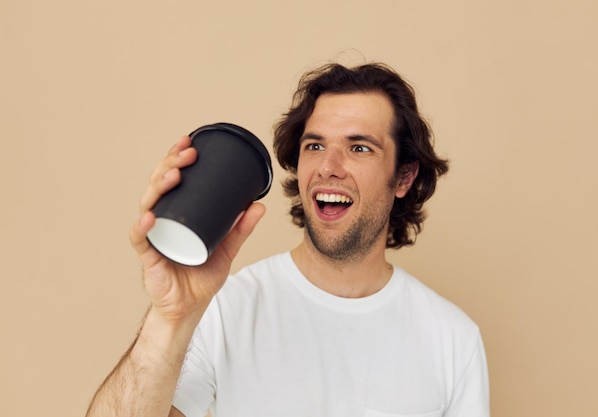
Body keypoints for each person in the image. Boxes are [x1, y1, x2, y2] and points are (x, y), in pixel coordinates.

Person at [86, 62, 490, 417]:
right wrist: (169, 317)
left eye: (359, 147)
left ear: (404, 177)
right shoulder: (228, 307)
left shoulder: (452, 339)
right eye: (315, 145)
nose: (329, 167)